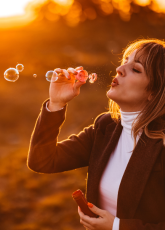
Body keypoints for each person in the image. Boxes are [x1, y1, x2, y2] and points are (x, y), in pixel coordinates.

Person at [27, 39, 165, 230]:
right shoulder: (106, 126)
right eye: (125, 60)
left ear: (154, 92)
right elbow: (42, 161)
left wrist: (117, 227)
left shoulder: (162, 142)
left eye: (136, 69)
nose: (120, 68)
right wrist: (56, 104)